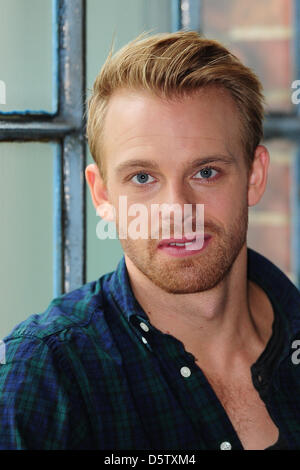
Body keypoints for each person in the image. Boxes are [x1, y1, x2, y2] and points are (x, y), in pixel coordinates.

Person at [1, 31, 300, 451]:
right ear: (102, 194)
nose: (177, 209)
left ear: (255, 177)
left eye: (206, 172)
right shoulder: (50, 372)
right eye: (143, 178)